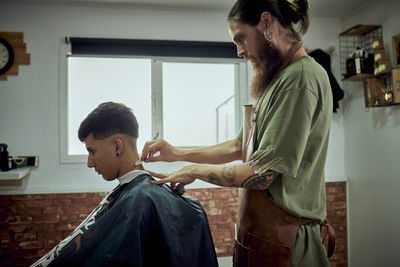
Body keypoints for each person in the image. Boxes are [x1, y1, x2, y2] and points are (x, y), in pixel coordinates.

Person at [141, 0, 335, 266]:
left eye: (240, 39)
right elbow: (240, 145)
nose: (239, 51)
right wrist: (177, 154)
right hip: (263, 239)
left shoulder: (300, 78)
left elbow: (263, 174)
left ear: (267, 23)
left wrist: (193, 171)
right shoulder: (277, 79)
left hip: (289, 247)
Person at [31, 102, 218, 267]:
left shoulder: (140, 198)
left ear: (117, 146)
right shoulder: (141, 194)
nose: (90, 162)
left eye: (92, 151)